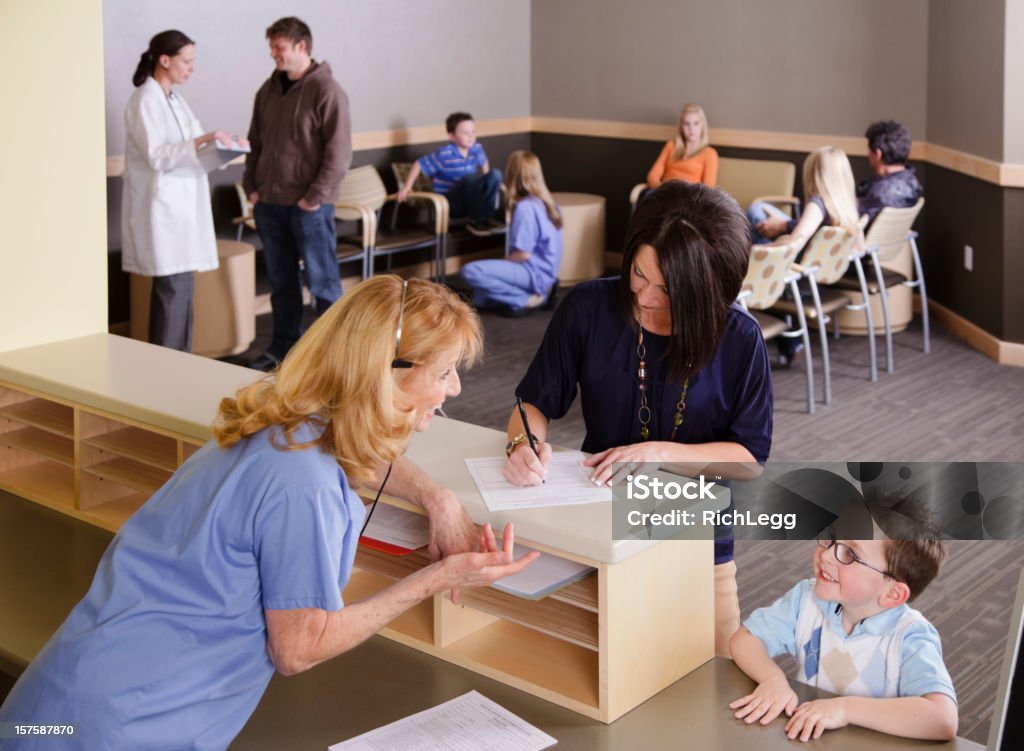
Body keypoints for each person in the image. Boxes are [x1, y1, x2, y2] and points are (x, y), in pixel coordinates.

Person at [0, 276, 537, 749]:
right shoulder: (303, 485)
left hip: (54, 708)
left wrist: (436, 497)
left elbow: (355, 448)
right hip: (124, 727)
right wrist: (437, 577)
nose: (455, 388)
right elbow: (299, 649)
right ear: (386, 375)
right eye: (444, 373)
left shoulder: (281, 422)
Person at [503, 181, 773, 657]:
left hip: (698, 546)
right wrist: (522, 445)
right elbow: (534, 404)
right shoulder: (588, 308)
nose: (645, 297)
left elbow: (749, 458)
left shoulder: (739, 338)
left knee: (712, 677)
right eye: (638, 274)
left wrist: (660, 454)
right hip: (597, 531)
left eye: (667, 290)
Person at [728, 530, 957, 742]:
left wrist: (845, 709)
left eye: (850, 553)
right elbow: (745, 639)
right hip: (810, 738)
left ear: (892, 593)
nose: (827, 555)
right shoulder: (807, 599)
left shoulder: (910, 636)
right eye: (831, 539)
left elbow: (943, 719)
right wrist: (772, 679)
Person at [244, 17, 352, 371]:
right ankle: (283, 350)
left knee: (323, 284)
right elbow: (255, 143)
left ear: (301, 46)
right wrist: (252, 188)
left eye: (279, 47)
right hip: (270, 205)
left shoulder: (327, 91)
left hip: (309, 208)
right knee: (281, 283)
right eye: (271, 47)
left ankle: (332, 361)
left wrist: (314, 198)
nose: (273, 54)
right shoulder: (267, 90)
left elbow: (339, 153)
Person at [121, 30, 232, 352]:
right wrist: (199, 142)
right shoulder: (145, 100)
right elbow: (157, 155)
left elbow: (195, 146)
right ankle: (165, 370)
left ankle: (182, 363)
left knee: (182, 293)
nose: (191, 68)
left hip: (183, 212)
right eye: (187, 61)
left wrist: (221, 147)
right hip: (162, 213)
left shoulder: (176, 100)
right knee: (171, 292)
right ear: (165, 60)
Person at [747, 147, 864, 366]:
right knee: (759, 218)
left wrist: (773, 245)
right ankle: (789, 344)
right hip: (814, 277)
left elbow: (795, 243)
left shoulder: (817, 205)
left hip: (797, 283)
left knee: (755, 236)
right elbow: (860, 248)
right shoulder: (849, 205)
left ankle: (788, 343)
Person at [460, 151, 563, 315]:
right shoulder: (549, 204)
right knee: (479, 297)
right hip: (548, 272)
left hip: (533, 272)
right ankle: (533, 294)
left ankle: (526, 299)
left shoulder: (525, 207)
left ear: (512, 174)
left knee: (472, 271)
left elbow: (522, 255)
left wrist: (502, 262)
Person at [397, 112, 504, 236]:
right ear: (451, 136)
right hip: (453, 203)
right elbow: (419, 164)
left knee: (495, 174)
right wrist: (407, 187)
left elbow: (484, 163)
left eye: (473, 132)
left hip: (473, 200)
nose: (470, 136)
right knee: (470, 178)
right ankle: (477, 221)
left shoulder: (476, 148)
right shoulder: (444, 154)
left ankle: (487, 217)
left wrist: (488, 182)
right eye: (465, 133)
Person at [857, 120, 924, 224]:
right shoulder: (912, 182)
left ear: (878, 154)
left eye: (870, 151)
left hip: (868, 239)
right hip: (897, 239)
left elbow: (854, 221)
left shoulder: (880, 194)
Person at [645, 103, 719, 190]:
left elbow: (708, 189)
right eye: (687, 124)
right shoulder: (671, 145)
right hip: (664, 194)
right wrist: (662, 191)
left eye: (696, 123)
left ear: (702, 126)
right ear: (681, 127)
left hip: (689, 199)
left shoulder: (710, 153)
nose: (691, 128)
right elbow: (652, 176)